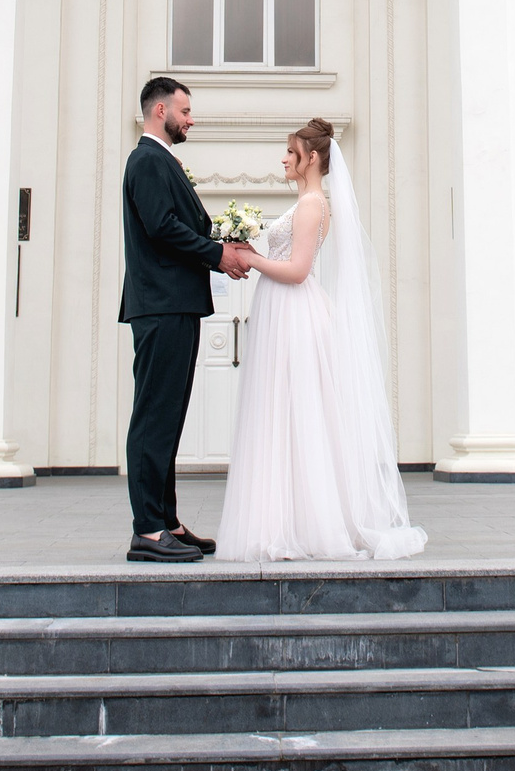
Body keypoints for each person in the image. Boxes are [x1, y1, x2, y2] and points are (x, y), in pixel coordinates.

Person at [215, 118, 427, 562]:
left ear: (312, 158)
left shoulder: (313, 205)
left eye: (291, 153)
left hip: (294, 312)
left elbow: (296, 270)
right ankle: (284, 519)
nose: (284, 159)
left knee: (297, 413)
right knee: (281, 413)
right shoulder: (305, 204)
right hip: (281, 311)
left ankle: (305, 524)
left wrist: (250, 257)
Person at [119, 76, 253, 563]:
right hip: (160, 305)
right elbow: (162, 228)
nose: (191, 119)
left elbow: (179, 225)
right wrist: (218, 254)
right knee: (154, 415)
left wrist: (224, 244)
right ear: (160, 111)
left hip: (173, 304)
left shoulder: (160, 161)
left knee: (168, 416)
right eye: (185, 110)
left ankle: (167, 520)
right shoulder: (148, 160)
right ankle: (148, 530)